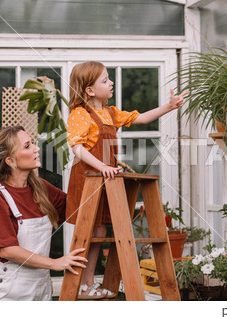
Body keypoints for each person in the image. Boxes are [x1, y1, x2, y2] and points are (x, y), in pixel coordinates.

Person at [66, 61, 189, 299]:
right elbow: (77, 148)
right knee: (88, 231)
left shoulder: (110, 113)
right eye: (105, 80)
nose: (111, 82)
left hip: (106, 178)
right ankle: (81, 284)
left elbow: (141, 118)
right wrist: (102, 166)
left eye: (109, 78)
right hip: (88, 178)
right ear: (89, 90)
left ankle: (89, 282)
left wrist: (169, 107)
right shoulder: (80, 114)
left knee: (100, 232)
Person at [0, 126, 87, 301]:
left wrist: (84, 163)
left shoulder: (40, 187)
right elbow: (7, 250)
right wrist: (55, 263)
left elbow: (78, 209)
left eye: (32, 143)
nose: (36, 148)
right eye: (27, 146)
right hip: (6, 295)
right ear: (10, 160)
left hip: (40, 291)